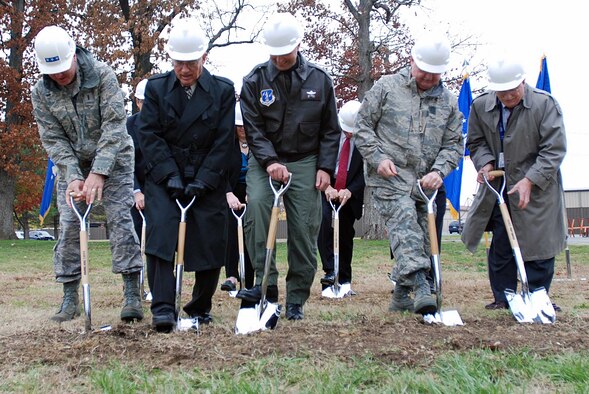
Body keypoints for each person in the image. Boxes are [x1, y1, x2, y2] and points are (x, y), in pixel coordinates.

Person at [31, 25, 144, 323]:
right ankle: (70, 296)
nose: (58, 75)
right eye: (51, 70)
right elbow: (52, 138)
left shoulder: (103, 75)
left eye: (62, 67)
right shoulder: (40, 93)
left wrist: (99, 172)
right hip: (74, 166)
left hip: (115, 158)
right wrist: (73, 175)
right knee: (69, 225)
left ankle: (132, 291)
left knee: (120, 220)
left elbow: (115, 126)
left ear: (74, 54)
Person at [236, 12, 340, 320]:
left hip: (306, 159)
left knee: (305, 227)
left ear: (298, 46)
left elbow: (331, 130)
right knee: (255, 206)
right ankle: (264, 285)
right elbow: (253, 130)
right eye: (275, 53)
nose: (281, 58)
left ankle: (296, 298)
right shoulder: (254, 81)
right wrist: (269, 162)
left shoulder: (320, 80)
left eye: (286, 52)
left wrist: (325, 167)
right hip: (264, 159)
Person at [136, 19, 236, 332]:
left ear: (203, 58)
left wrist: (204, 180)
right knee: (161, 234)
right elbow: (149, 135)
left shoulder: (222, 90)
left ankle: (199, 307)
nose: (184, 70)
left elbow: (223, 141)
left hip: (207, 177)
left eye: (190, 63)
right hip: (165, 177)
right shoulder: (155, 89)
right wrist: (169, 177)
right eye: (179, 63)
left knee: (209, 237)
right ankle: (163, 308)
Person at [354, 33, 463, 315]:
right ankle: (422, 287)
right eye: (424, 72)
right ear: (412, 61)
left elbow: (454, 144)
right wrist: (378, 158)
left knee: (424, 236)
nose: (428, 78)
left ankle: (401, 295)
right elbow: (362, 128)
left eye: (435, 75)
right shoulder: (386, 88)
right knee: (405, 227)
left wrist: (440, 171)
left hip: (425, 182)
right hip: (388, 177)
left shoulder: (449, 103)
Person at [461, 56, 567, 310]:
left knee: (538, 243)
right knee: (501, 242)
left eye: (512, 91)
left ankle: (537, 295)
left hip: (537, 185)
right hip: (499, 187)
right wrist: (485, 163)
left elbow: (554, 149)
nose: (507, 97)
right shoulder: (481, 105)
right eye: (502, 92)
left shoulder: (545, 104)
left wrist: (531, 179)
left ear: (523, 82)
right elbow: (475, 143)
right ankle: (504, 297)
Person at [318, 100, 365, 290]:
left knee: (345, 233)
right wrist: (326, 186)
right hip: (327, 185)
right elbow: (316, 159)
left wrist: (351, 190)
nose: (349, 134)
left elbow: (367, 171)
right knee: (324, 224)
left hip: (349, 190)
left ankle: (344, 279)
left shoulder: (367, 138)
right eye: (346, 130)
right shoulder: (327, 133)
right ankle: (330, 272)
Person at [221, 102, 255, 294]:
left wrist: (255, 191)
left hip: (253, 192)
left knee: (251, 229)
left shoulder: (258, 144)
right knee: (231, 228)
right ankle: (231, 275)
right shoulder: (227, 145)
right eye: (238, 126)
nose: (242, 129)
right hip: (230, 192)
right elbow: (220, 172)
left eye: (245, 125)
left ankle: (249, 280)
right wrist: (228, 193)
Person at [127, 79, 148, 241]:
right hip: (135, 188)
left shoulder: (167, 126)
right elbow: (126, 162)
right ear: (137, 102)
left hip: (162, 189)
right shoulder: (128, 126)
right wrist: (136, 191)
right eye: (142, 101)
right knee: (136, 233)